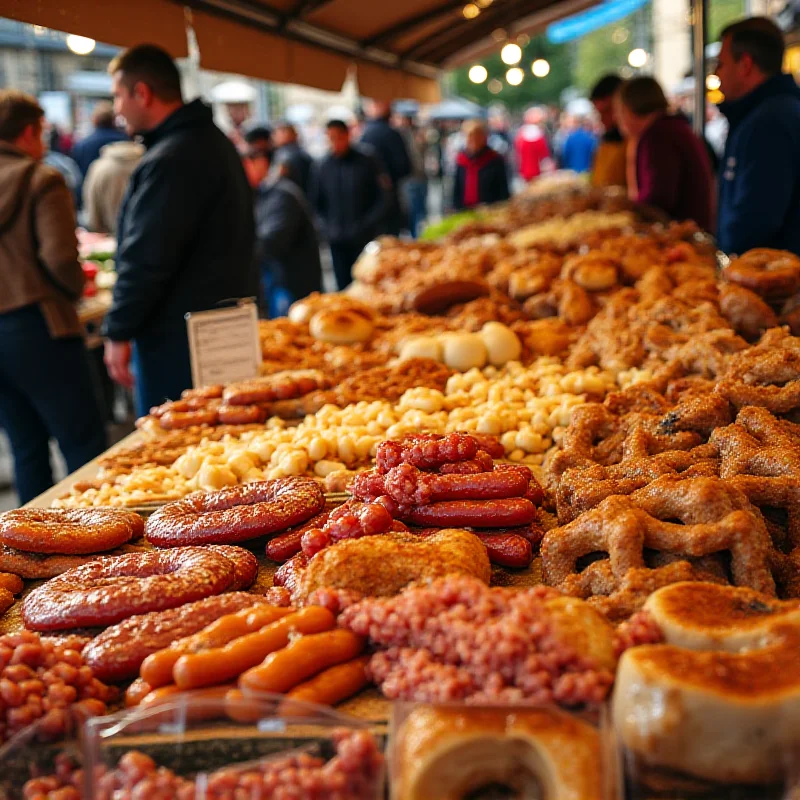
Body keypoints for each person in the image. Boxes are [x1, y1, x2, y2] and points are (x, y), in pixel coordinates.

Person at [102, 44, 256, 416]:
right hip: (222, 326)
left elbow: (147, 257)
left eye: (119, 96)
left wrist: (118, 330)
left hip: (181, 340)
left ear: (143, 93)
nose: (117, 108)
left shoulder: (172, 158)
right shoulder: (211, 141)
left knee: (182, 446)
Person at [0, 90, 106, 503]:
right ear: (29, 131)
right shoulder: (42, 179)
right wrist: (76, 289)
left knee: (26, 448)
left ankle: (35, 552)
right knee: (82, 442)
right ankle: (104, 546)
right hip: (40, 325)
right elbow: (61, 257)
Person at [715, 17, 800, 255]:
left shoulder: (769, 121)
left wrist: (727, 257)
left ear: (745, 65)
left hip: (770, 279)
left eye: (721, 64)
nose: (717, 74)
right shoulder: (766, 113)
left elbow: (757, 218)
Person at [616, 77, 714, 232]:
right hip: (693, 231)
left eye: (619, 110)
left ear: (628, 109)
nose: (618, 119)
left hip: (685, 238)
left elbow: (657, 200)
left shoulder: (659, 136)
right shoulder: (671, 128)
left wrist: (624, 210)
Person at [243, 142, 322, 318]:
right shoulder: (260, 194)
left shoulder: (281, 194)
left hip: (292, 286)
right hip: (278, 284)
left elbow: (272, 242)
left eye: (244, 166)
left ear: (261, 163)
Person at [313, 119, 388, 290]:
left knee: (368, 283)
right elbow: (316, 203)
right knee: (342, 285)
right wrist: (327, 228)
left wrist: (368, 224)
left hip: (364, 236)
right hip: (337, 239)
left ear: (348, 135)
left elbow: (384, 197)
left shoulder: (367, 160)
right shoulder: (322, 166)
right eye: (331, 138)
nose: (336, 142)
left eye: (339, 137)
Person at [360, 100, 411, 235]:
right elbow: (405, 167)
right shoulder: (392, 134)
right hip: (389, 201)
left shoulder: (365, 134)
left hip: (370, 203)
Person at [82, 140, 144, 233]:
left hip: (105, 238)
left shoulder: (100, 166)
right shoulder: (146, 163)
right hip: (142, 233)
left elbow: (91, 203)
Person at [452, 120, 510, 211]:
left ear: (484, 137)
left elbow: (503, 191)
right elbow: (457, 190)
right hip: (465, 211)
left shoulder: (494, 160)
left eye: (477, 136)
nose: (473, 140)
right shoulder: (461, 160)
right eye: (469, 136)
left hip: (490, 211)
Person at [71, 102, 128, 178]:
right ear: (114, 119)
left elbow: (78, 176)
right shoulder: (127, 141)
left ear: (94, 120)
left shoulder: (81, 146)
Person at [589, 74, 627, 188]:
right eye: (599, 113)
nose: (602, 120)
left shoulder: (636, 143)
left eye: (607, 111)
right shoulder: (607, 141)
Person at [396, 114, 428, 238]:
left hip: (419, 178)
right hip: (411, 180)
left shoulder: (416, 134)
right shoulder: (401, 135)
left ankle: (418, 235)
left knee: (420, 211)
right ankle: (416, 236)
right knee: (414, 211)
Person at [273, 122, 314, 198]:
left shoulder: (285, 155)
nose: (274, 137)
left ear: (286, 133)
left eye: (276, 133)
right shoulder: (302, 153)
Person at [514, 107, 551, 182]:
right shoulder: (539, 134)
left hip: (524, 171)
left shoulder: (521, 133)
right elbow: (544, 156)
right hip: (538, 172)